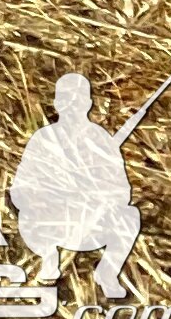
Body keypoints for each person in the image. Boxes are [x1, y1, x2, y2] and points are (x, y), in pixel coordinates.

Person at [11, 74, 142, 298]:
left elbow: (123, 192)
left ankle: (107, 273)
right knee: (29, 216)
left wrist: (101, 198)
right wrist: (48, 196)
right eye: (66, 100)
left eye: (78, 100)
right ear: (57, 104)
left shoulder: (100, 139)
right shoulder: (44, 138)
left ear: (88, 104)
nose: (72, 107)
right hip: (51, 222)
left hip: (92, 222)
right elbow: (20, 189)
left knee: (130, 216)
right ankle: (48, 260)